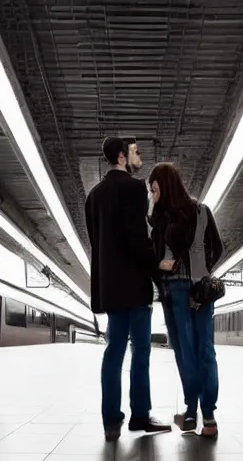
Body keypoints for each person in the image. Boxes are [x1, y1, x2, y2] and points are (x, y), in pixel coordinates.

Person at [85, 136, 172, 441]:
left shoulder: (93, 196)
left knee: (113, 352)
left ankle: (111, 421)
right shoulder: (135, 188)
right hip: (134, 286)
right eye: (135, 152)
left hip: (110, 287)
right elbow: (137, 238)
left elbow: (97, 243)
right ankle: (139, 416)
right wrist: (156, 267)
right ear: (122, 157)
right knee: (141, 351)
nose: (139, 156)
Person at [148, 162, 223, 438]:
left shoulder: (161, 217)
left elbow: (154, 256)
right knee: (206, 349)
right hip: (201, 291)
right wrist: (203, 273)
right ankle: (210, 416)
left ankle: (191, 412)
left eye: (154, 190)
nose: (152, 195)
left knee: (185, 351)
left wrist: (165, 267)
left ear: (163, 187)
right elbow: (218, 247)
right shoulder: (202, 211)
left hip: (174, 292)